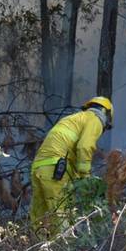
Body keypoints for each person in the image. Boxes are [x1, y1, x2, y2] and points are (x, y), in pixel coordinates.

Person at [29, 96, 114, 239]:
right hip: (56, 170)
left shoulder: (74, 119)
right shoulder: (95, 118)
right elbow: (84, 146)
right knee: (62, 215)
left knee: (40, 217)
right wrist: (86, 177)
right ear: (105, 113)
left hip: (39, 167)